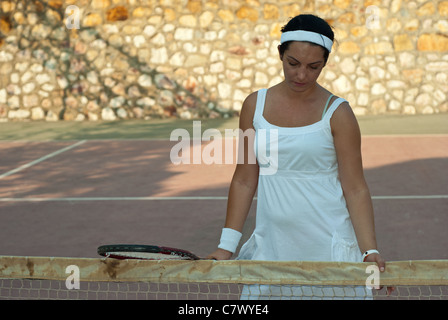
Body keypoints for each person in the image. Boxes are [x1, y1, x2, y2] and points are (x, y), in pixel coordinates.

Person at [207, 14, 392, 298]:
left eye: (313, 67)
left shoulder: (339, 113)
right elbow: (244, 180)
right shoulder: (254, 106)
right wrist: (225, 246)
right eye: (293, 63)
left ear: (324, 64)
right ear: (280, 54)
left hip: (331, 252)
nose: (302, 75)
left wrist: (370, 251)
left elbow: (355, 188)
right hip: (272, 250)